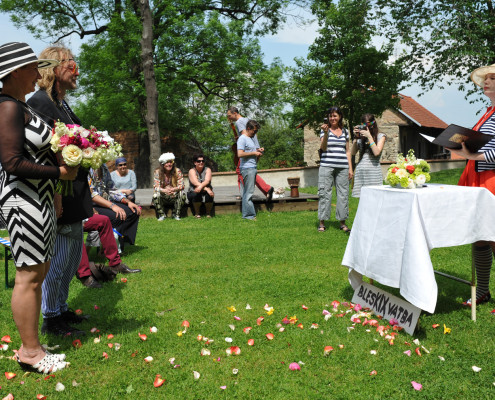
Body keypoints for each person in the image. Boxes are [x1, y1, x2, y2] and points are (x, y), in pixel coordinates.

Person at [0, 42, 77, 373]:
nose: (38, 73)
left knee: (39, 270)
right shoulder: (7, 107)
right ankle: (30, 353)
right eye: (33, 68)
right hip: (22, 200)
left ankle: (32, 345)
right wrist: (59, 173)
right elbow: (12, 162)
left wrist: (57, 186)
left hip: (39, 198)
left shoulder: (20, 105)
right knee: (29, 275)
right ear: (17, 71)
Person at [28, 45, 94, 337]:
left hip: (74, 190)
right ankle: (51, 317)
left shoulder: (60, 102)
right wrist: (56, 190)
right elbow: (44, 153)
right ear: (54, 68)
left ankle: (62, 306)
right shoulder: (40, 103)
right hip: (59, 192)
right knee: (59, 259)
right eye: (71, 64)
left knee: (71, 259)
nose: (76, 70)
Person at [447, 63, 495, 306]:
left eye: (492, 78)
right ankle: (482, 292)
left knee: (493, 235)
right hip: (476, 177)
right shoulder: (488, 113)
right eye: (485, 78)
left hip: (491, 179)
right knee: (480, 236)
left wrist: (473, 155)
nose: (486, 82)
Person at [77, 213, 141, 288]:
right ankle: (84, 275)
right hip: (67, 219)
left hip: (80, 215)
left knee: (104, 220)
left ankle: (115, 264)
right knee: (76, 228)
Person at [317, 106, 353, 232]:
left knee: (343, 194)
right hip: (326, 165)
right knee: (324, 193)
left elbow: (347, 151)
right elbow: (323, 148)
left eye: (335, 116)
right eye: (330, 116)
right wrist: (326, 133)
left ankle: (342, 222)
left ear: (340, 117)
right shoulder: (324, 130)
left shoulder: (345, 131)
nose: (332, 118)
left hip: (343, 167)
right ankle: (322, 222)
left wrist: (350, 168)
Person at [227, 107, 274, 201]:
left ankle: (264, 189)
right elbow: (254, 135)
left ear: (235, 113)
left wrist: (245, 149)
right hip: (254, 149)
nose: (229, 118)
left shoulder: (239, 122)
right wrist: (256, 148)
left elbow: (245, 136)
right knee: (250, 172)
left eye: (229, 115)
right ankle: (265, 190)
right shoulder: (247, 120)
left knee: (241, 171)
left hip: (248, 151)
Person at [90, 164, 142, 248]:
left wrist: (127, 201)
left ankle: (124, 243)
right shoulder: (87, 168)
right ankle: (110, 247)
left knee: (134, 211)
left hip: (104, 202)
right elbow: (92, 194)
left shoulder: (104, 167)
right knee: (118, 215)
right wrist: (113, 206)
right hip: (91, 206)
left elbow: (111, 188)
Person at [350, 114, 386, 197]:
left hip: (373, 172)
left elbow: (376, 152)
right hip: (361, 171)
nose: (367, 127)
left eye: (369, 125)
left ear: (373, 124)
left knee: (374, 197)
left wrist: (369, 137)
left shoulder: (380, 136)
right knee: (361, 199)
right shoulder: (361, 137)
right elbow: (353, 152)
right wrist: (356, 137)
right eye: (364, 125)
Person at [237, 120, 263, 220]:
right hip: (247, 168)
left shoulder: (250, 139)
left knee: (247, 192)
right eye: (254, 131)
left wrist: (257, 151)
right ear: (248, 128)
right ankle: (249, 216)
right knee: (249, 193)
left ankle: (246, 215)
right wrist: (254, 153)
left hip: (252, 167)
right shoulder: (242, 139)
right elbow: (240, 154)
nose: (255, 133)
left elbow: (250, 151)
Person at [152, 152, 186, 220]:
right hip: (163, 196)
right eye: (167, 162)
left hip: (174, 195)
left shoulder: (177, 171)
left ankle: (176, 214)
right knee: (155, 195)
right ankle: (162, 215)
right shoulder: (157, 172)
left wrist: (173, 189)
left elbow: (182, 186)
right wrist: (165, 190)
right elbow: (156, 187)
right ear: (163, 164)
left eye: (171, 162)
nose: (169, 164)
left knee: (182, 194)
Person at [187, 153, 214, 218]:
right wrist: (207, 189)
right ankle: (197, 213)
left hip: (204, 191)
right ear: (195, 163)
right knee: (197, 193)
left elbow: (207, 181)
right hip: (193, 191)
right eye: (198, 161)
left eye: (202, 161)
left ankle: (208, 213)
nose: (201, 162)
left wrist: (203, 188)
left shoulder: (208, 169)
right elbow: (195, 183)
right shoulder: (191, 171)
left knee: (209, 194)